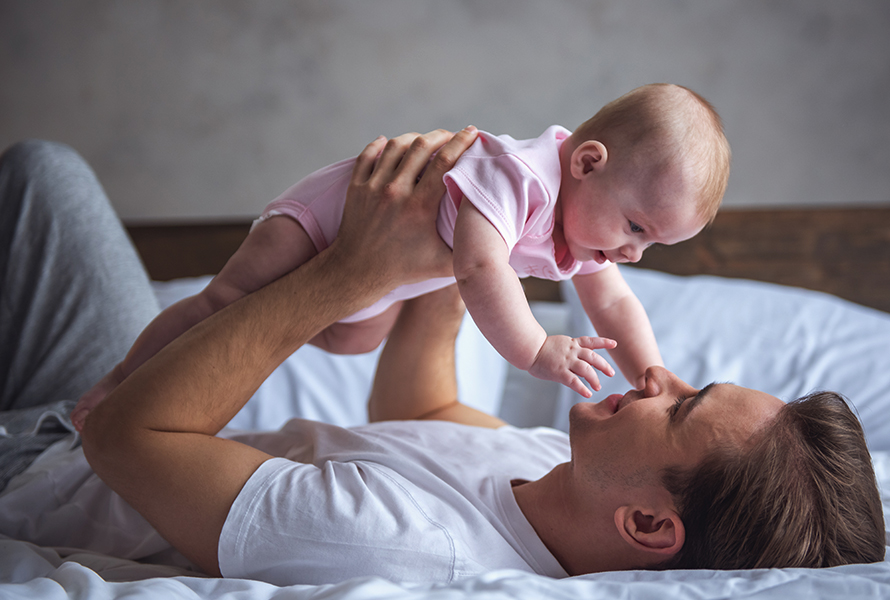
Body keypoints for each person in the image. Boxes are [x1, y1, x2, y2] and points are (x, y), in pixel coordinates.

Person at [0, 133, 883, 587]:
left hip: (42, 461)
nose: (657, 379)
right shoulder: (564, 481)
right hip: (68, 426)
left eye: (681, 408)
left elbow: (124, 432)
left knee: (46, 177)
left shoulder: (403, 550)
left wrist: (353, 272)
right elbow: (420, 413)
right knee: (44, 177)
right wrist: (466, 235)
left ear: (650, 529)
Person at [70, 84, 731, 431]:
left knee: (354, 339)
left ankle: (304, 317)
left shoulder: (585, 229)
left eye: (650, 244)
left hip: (369, 275)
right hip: (320, 224)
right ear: (587, 163)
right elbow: (480, 269)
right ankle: (119, 379)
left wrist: (652, 372)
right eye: (635, 226)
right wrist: (536, 351)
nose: (631, 251)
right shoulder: (521, 178)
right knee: (223, 305)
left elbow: (614, 302)